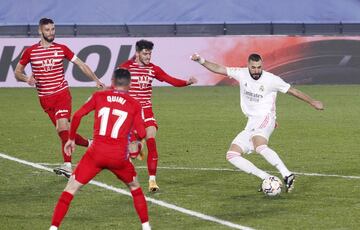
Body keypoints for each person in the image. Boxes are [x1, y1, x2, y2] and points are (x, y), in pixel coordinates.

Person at [191, 53, 324, 192]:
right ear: (248, 66)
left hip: (266, 117)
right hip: (252, 122)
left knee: (259, 146)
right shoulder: (241, 74)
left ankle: (287, 174)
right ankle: (266, 177)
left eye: (259, 67)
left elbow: (293, 91)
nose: (256, 70)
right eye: (253, 67)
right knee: (232, 155)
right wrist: (201, 60)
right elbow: (218, 68)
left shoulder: (272, 79)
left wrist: (312, 101)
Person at [49, 68, 151, 230]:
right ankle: (146, 227)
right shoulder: (134, 104)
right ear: (130, 85)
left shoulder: (99, 96)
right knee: (135, 187)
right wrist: (137, 143)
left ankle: (53, 228)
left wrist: (71, 139)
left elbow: (77, 116)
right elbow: (142, 132)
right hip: (119, 157)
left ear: (112, 81)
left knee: (71, 188)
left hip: (96, 153)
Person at [14, 18, 105, 177]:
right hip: (45, 99)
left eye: (53, 29)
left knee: (62, 126)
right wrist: (27, 79)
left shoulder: (62, 48)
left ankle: (68, 166)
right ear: (40, 31)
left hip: (62, 94)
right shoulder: (31, 52)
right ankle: (92, 144)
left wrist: (96, 79)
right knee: (64, 132)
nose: (51, 33)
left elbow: (81, 64)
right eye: (48, 30)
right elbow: (17, 72)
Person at [119, 39, 197, 192]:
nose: (148, 57)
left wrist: (186, 82)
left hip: (147, 111)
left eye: (150, 54)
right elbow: (117, 87)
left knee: (152, 141)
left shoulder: (153, 69)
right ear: (137, 53)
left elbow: (170, 80)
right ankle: (136, 147)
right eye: (145, 54)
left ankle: (152, 181)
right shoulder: (125, 68)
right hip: (131, 114)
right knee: (133, 153)